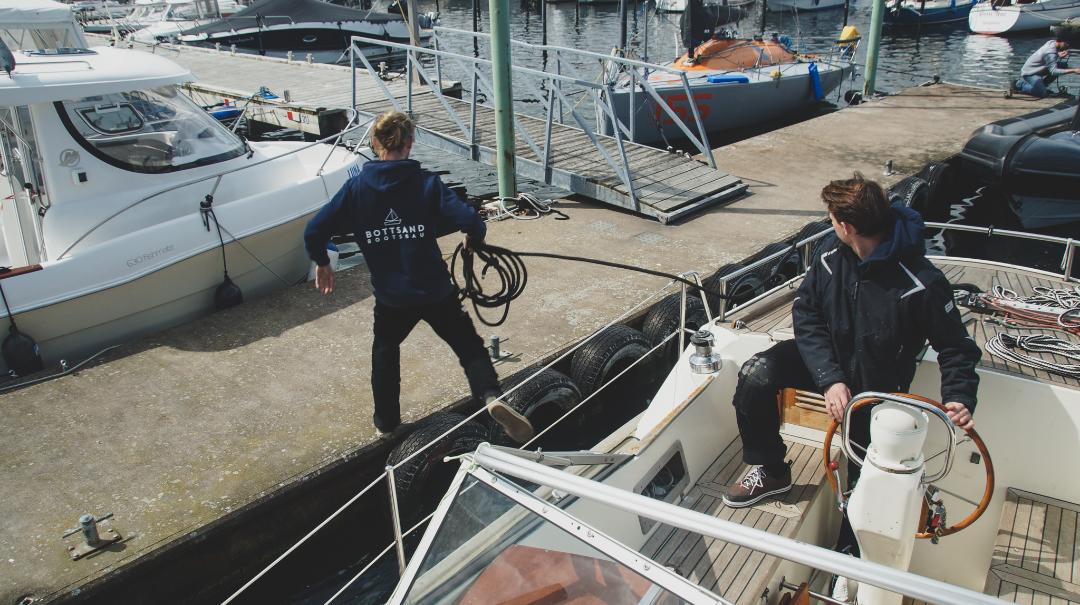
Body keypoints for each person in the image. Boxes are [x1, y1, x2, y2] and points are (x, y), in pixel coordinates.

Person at [722, 173, 981, 514]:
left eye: (831, 218)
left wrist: (959, 397)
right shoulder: (830, 255)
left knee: (864, 483)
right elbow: (807, 313)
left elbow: (956, 348)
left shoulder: (924, 283)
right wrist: (830, 379)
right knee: (756, 374)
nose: (830, 225)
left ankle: (850, 543)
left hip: (877, 388)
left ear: (846, 226)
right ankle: (771, 470)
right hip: (826, 361)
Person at [303, 111, 534, 443]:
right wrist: (474, 239)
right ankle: (490, 397)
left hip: (392, 298)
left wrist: (323, 263)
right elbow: (472, 221)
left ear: (374, 143)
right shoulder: (427, 183)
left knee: (385, 350)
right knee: (470, 348)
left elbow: (314, 230)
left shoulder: (356, 189)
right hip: (435, 291)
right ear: (410, 144)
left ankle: (386, 423)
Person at [1013, 34, 1079, 98]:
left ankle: (1042, 86)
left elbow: (1048, 55)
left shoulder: (1052, 42)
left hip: (1038, 69)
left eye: (1068, 45)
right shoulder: (1050, 52)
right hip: (1030, 73)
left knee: (1062, 65)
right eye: (1065, 44)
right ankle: (1019, 84)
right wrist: (1074, 70)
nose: (1067, 46)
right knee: (1042, 93)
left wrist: (1058, 54)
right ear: (1059, 41)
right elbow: (1053, 71)